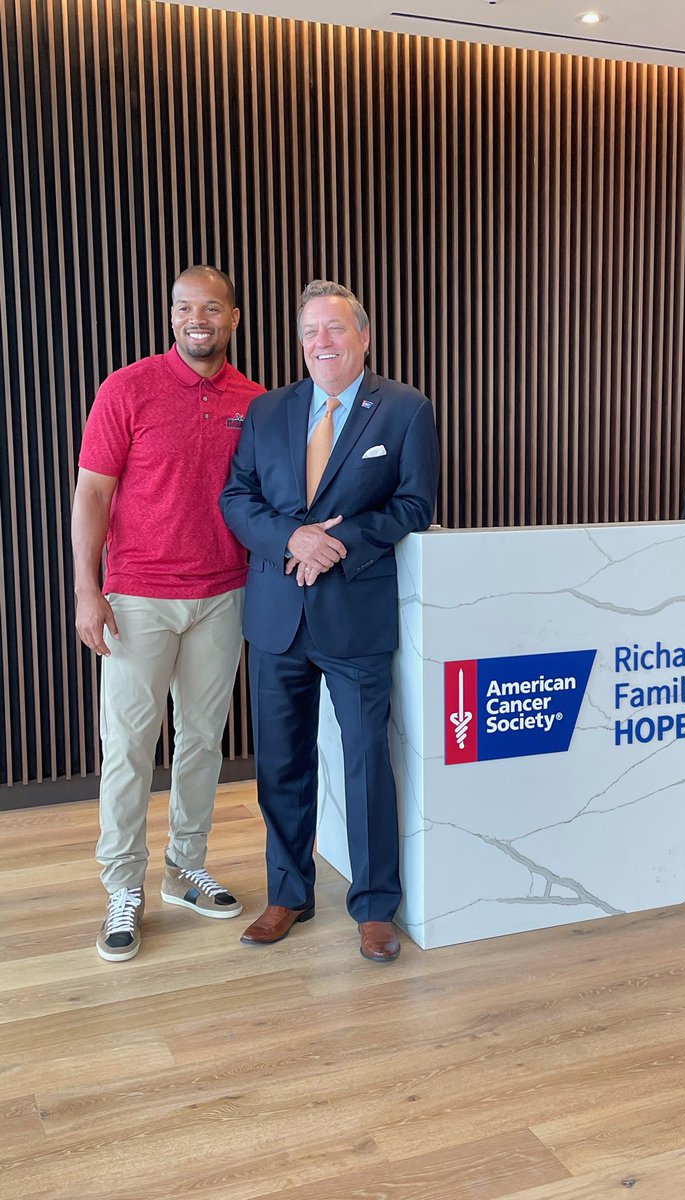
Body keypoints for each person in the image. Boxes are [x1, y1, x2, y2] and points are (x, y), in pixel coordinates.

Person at [219, 279, 439, 962]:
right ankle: (288, 894)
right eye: (311, 331)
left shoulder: (404, 409)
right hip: (277, 614)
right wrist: (293, 537)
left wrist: (338, 542)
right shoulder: (266, 411)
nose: (322, 342)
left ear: (363, 337)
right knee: (281, 762)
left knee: (367, 760)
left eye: (336, 328)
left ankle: (374, 908)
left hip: (354, 614)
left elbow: (414, 504)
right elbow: (236, 498)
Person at [72, 265, 265, 963]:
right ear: (172, 316)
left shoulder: (255, 401)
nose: (196, 319)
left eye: (210, 308)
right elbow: (93, 493)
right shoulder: (127, 388)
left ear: (232, 318)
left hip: (223, 595)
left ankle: (185, 868)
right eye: (185, 307)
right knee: (128, 748)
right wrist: (87, 590)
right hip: (138, 597)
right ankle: (122, 888)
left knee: (202, 741)